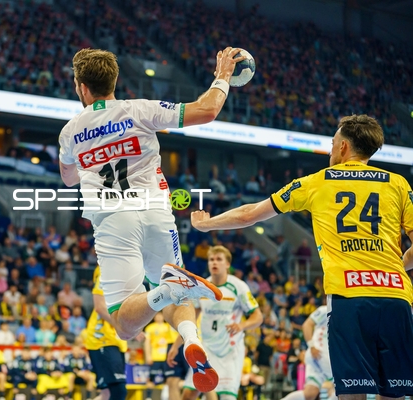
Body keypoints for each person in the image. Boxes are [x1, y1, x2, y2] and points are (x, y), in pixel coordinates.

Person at [58, 47, 244, 393]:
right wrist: (222, 75)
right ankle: (190, 337)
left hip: (113, 221)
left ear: (81, 87)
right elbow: (207, 110)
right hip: (157, 213)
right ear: (114, 81)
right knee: (179, 295)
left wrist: (89, 155)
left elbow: (68, 178)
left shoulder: (70, 132)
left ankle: (165, 291)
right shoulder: (140, 109)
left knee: (124, 325)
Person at [190, 115, 413, 399]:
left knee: (352, 393)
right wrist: (397, 266)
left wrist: (207, 224)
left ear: (343, 147)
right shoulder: (398, 184)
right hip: (396, 297)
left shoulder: (316, 182)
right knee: (394, 393)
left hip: (349, 297)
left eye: (332, 144)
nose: (330, 150)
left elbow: (249, 214)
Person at [170, 246, 263, 400]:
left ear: (227, 264)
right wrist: (175, 346)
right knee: (188, 394)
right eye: (211, 259)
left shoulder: (239, 287)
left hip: (230, 351)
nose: (214, 262)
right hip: (207, 349)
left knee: (226, 397)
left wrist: (241, 326)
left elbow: (258, 317)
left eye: (219, 259)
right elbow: (190, 319)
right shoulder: (202, 287)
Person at [85, 266, 128, 400]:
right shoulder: (106, 271)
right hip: (102, 338)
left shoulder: (127, 274)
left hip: (116, 339)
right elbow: (99, 307)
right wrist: (125, 327)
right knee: (118, 391)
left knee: (107, 394)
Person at [282, 304, 335, 400]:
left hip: (318, 356)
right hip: (321, 354)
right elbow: (307, 324)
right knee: (343, 386)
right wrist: (311, 346)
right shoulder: (325, 310)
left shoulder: (345, 315)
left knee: (310, 394)